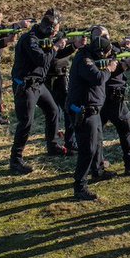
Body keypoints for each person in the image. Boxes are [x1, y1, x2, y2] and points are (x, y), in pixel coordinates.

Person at [8, 16, 67, 175]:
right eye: (54, 31)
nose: (55, 34)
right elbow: (42, 59)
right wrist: (55, 48)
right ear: (47, 29)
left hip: (38, 84)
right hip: (26, 86)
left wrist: (71, 46)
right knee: (26, 122)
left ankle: (52, 145)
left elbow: (53, 58)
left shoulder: (43, 38)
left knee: (53, 110)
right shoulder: (30, 40)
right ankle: (16, 160)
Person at [66, 31, 116, 201]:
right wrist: (109, 68)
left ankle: (97, 171)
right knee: (87, 150)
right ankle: (80, 187)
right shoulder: (85, 61)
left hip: (92, 111)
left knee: (96, 144)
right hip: (84, 112)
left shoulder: (89, 56)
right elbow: (98, 77)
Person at [100, 32, 130, 176]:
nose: (108, 38)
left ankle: (97, 165)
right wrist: (127, 63)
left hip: (103, 96)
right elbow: (113, 69)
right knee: (126, 129)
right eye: (104, 35)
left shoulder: (98, 51)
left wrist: (124, 47)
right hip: (112, 97)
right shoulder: (105, 53)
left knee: (97, 132)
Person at [42, 8, 79, 154]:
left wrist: (73, 46)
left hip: (61, 75)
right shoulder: (43, 38)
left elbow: (60, 54)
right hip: (51, 76)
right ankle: (55, 143)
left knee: (66, 109)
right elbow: (52, 57)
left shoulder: (58, 36)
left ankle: (69, 141)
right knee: (54, 111)